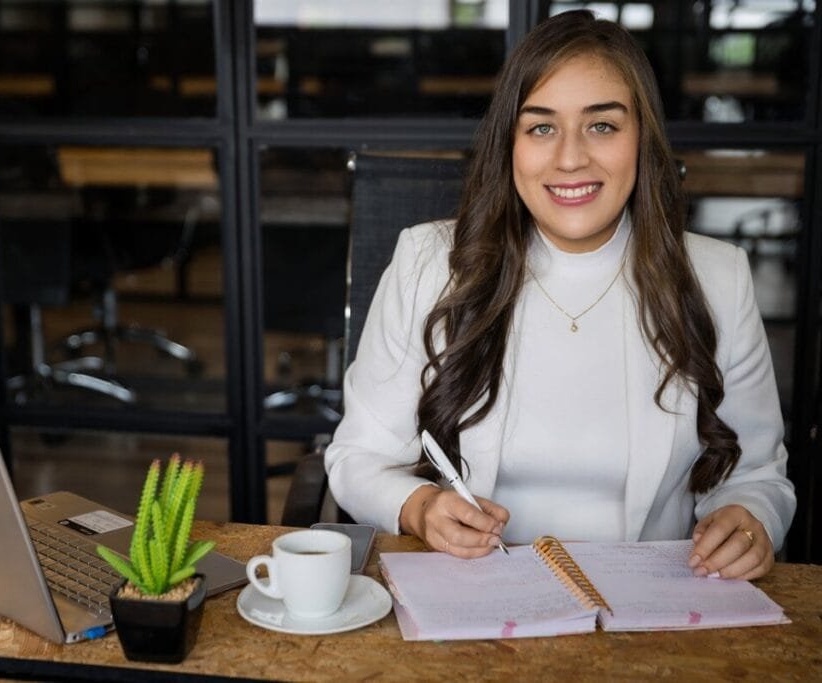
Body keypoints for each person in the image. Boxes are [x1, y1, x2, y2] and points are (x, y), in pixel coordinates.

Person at [324, 10, 795, 580]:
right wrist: (420, 509)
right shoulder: (428, 264)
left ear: (641, 139)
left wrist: (749, 519)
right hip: (475, 597)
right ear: (510, 146)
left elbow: (757, 475)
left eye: (602, 125)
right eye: (541, 127)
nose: (570, 158)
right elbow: (358, 457)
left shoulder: (719, 278)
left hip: (651, 612)